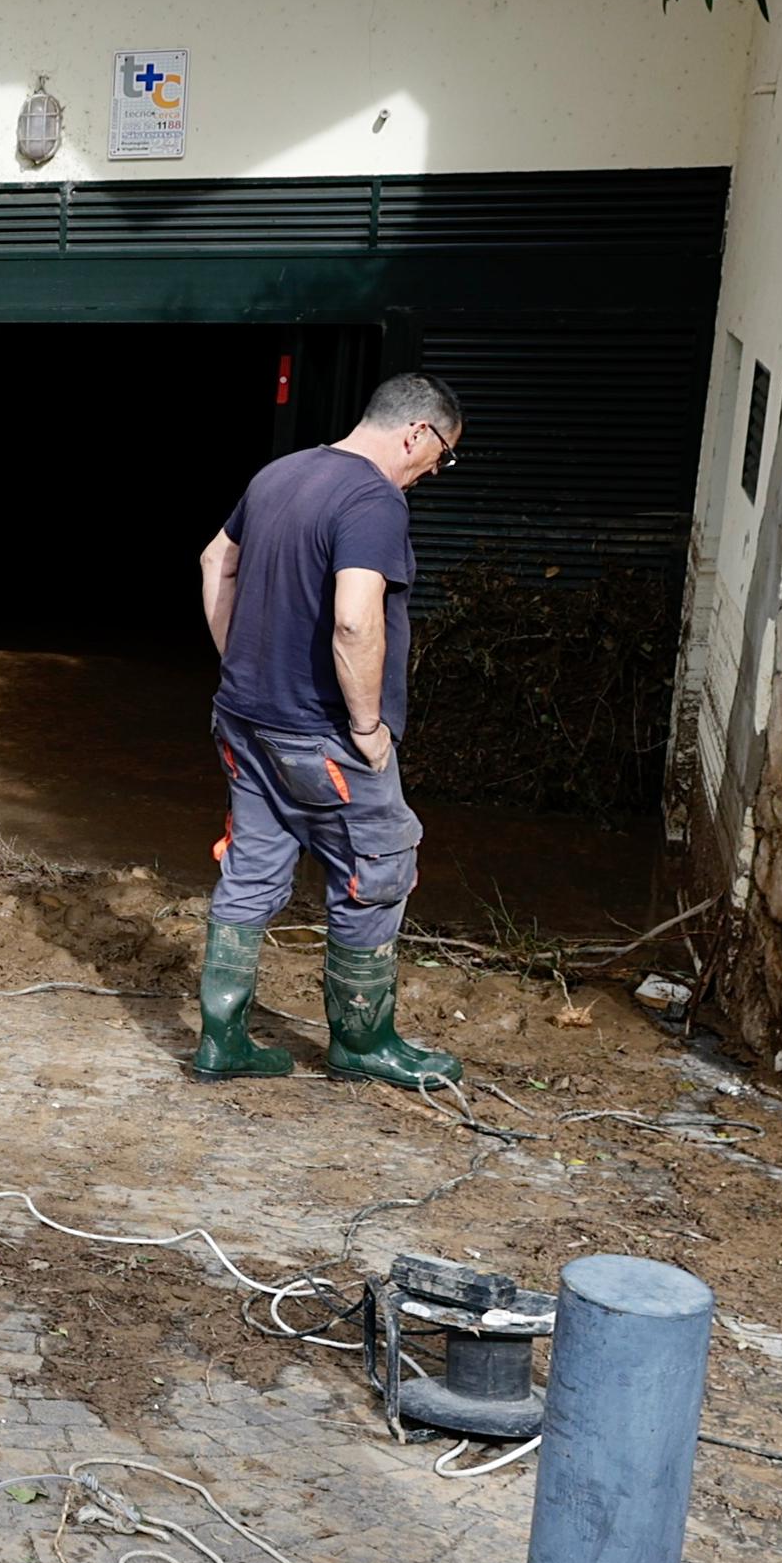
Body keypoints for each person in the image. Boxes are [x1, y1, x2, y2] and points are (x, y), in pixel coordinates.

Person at [189, 371, 466, 1093]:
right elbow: (353, 619)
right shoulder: (373, 499)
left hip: (243, 720)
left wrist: (241, 662)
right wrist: (368, 725)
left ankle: (223, 1040)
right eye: (439, 458)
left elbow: (216, 560)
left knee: (252, 867)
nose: (431, 474)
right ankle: (363, 1041)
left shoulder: (282, 473)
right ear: (418, 433)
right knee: (378, 868)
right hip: (321, 738)